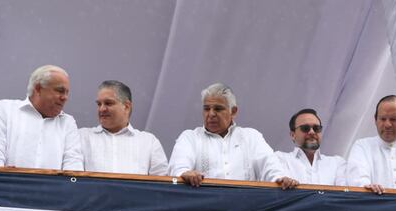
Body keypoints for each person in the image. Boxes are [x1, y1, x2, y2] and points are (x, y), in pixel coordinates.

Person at [168, 83, 297, 189]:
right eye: (207, 109)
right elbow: (178, 168)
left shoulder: (251, 137)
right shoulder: (190, 137)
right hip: (203, 208)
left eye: (218, 109)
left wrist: (280, 178)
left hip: (246, 207)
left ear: (233, 111)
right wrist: (184, 173)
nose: (211, 114)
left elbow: (270, 166)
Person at [0, 65, 83, 172]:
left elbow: (73, 164)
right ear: (38, 88)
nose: (65, 97)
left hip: (53, 184)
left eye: (67, 93)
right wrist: (0, 175)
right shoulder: (5, 110)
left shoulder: (67, 122)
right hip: (8, 182)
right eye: (60, 90)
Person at [79, 80, 168, 175]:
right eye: (99, 104)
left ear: (126, 106)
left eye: (108, 103)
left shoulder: (149, 142)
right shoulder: (82, 137)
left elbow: (161, 181)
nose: (102, 109)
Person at [275, 108, 346, 185]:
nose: (312, 132)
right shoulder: (279, 159)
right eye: (305, 128)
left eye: (316, 128)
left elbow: (346, 190)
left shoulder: (337, 164)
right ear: (293, 135)